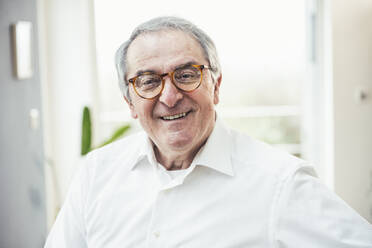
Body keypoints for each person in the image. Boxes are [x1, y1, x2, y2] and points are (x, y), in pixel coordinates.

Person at [44, 16, 372, 247]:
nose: (169, 97)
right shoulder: (96, 173)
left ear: (215, 86)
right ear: (130, 102)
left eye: (186, 74)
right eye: (148, 81)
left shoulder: (280, 183)